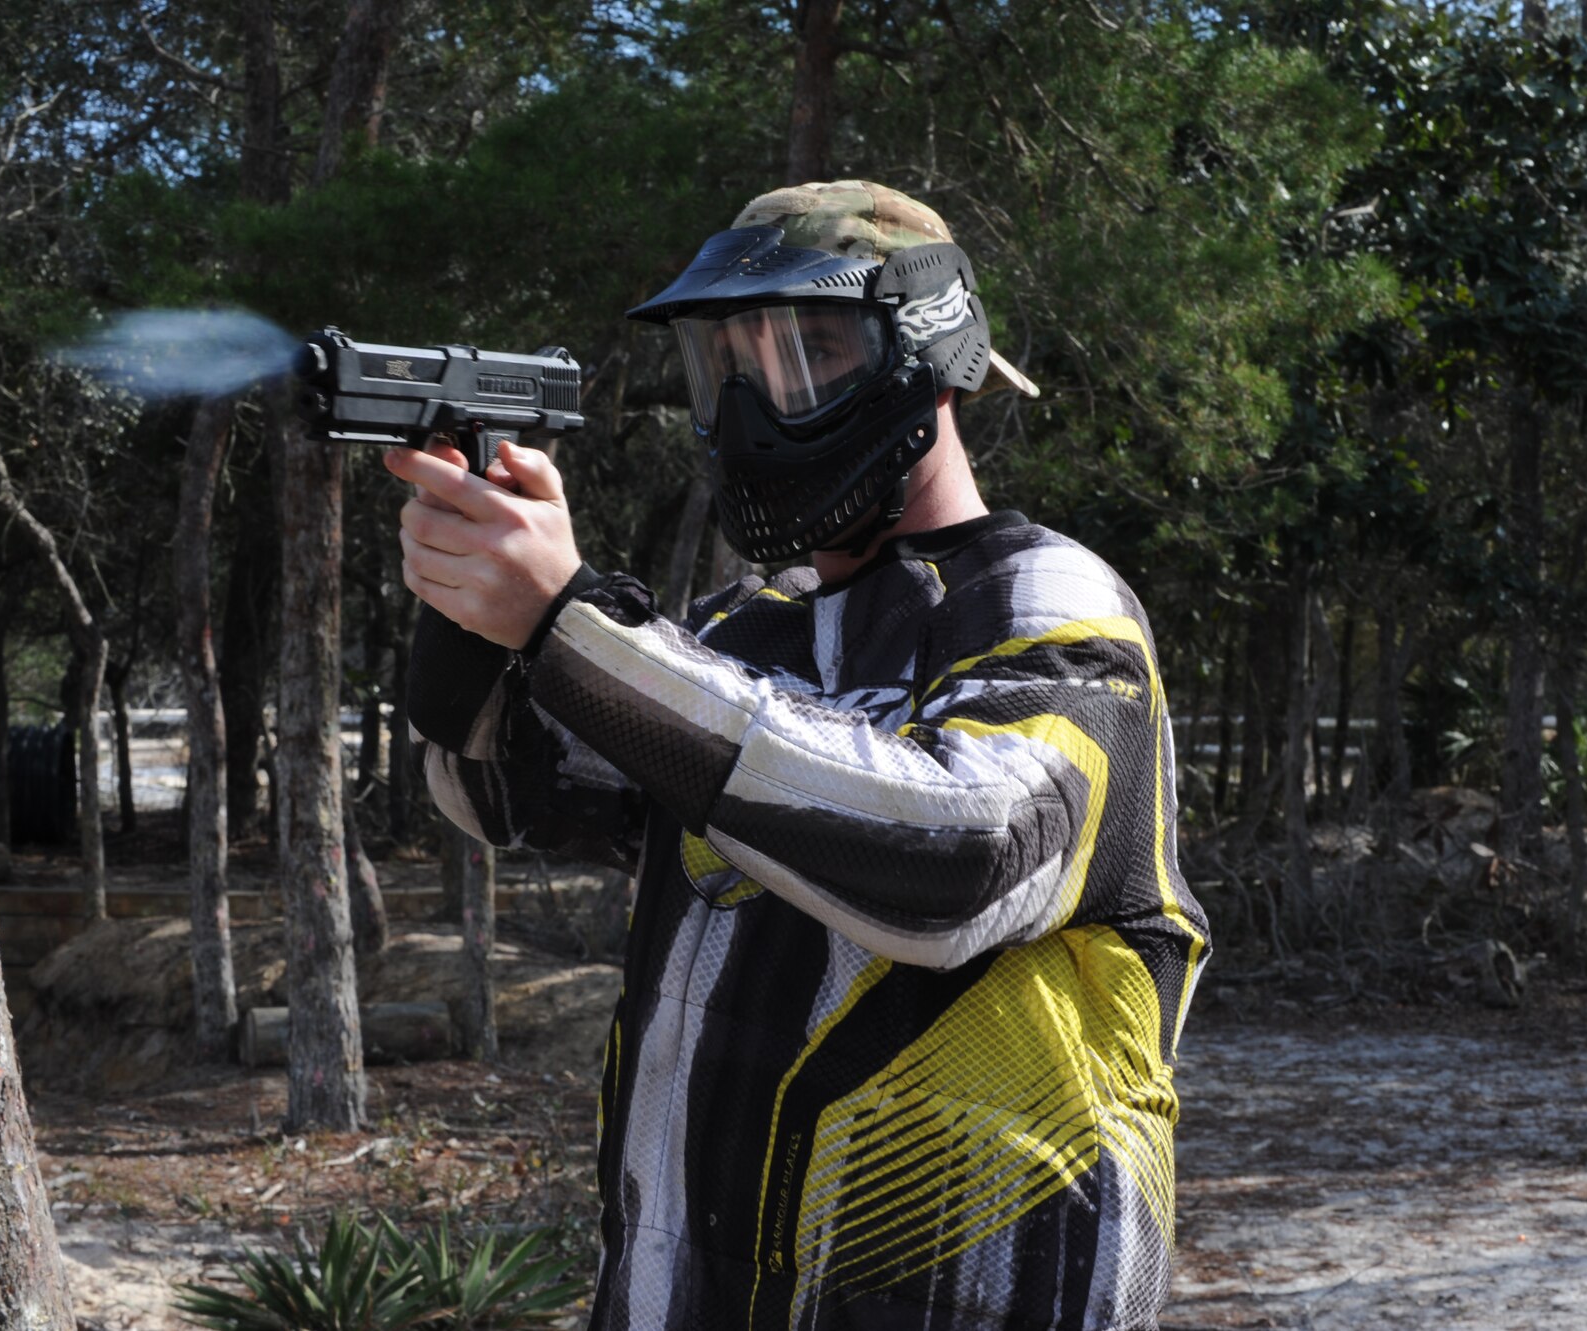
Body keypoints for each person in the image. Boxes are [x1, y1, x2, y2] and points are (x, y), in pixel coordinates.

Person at [388, 180, 1209, 1331]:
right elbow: (502, 794)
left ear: (923, 351)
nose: (751, 404)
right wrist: (476, 610)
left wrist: (568, 622)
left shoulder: (1040, 598)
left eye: (806, 354)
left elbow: (958, 864)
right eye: (724, 363)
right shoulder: (740, 629)